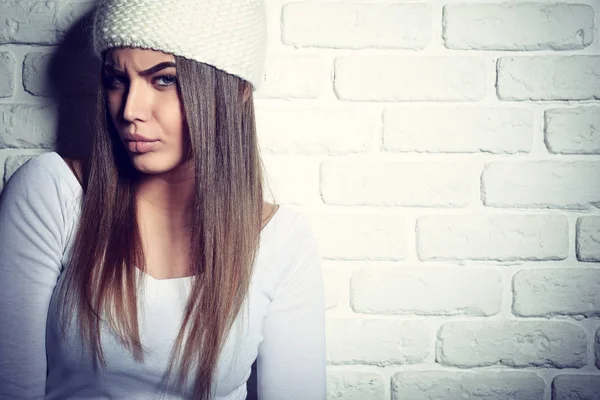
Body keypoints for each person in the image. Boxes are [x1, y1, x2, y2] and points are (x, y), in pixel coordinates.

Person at [0, 0, 326, 399]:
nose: (130, 110)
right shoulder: (51, 192)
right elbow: (11, 386)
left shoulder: (282, 241)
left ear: (237, 90)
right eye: (116, 80)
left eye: (164, 79)